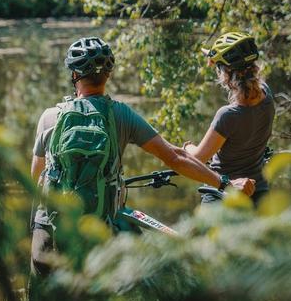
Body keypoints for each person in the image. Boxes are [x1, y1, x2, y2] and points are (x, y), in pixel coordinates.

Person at [30, 37, 256, 280]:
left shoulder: (49, 117)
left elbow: (35, 180)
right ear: (108, 74)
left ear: (74, 74)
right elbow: (176, 158)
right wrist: (224, 184)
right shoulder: (121, 114)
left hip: (49, 230)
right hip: (97, 229)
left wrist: (31, 228)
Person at [183, 31, 275, 204]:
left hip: (224, 196)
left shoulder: (228, 115)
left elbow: (198, 158)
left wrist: (187, 146)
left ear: (224, 73)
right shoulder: (267, 96)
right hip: (260, 193)